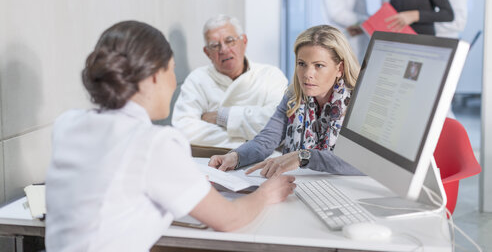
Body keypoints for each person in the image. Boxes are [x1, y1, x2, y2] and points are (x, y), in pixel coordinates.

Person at [45, 21, 296, 251]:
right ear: (155, 75)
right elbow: (230, 219)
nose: (175, 82)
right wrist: (266, 194)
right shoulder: (156, 143)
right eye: (172, 70)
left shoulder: (67, 124)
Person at [209, 25, 362, 177]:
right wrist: (235, 157)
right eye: (302, 64)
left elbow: (362, 162)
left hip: (347, 189)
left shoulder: (359, 102)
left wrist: (304, 156)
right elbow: (265, 141)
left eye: (319, 66)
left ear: (340, 68)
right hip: (302, 183)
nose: (308, 74)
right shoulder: (293, 96)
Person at [172, 14, 288, 147]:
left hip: (265, 160)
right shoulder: (197, 79)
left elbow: (279, 123)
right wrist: (250, 142)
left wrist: (222, 117)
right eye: (215, 45)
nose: (224, 50)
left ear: (244, 41)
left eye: (229, 41)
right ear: (207, 52)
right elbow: (184, 129)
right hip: (211, 161)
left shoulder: (270, 76)